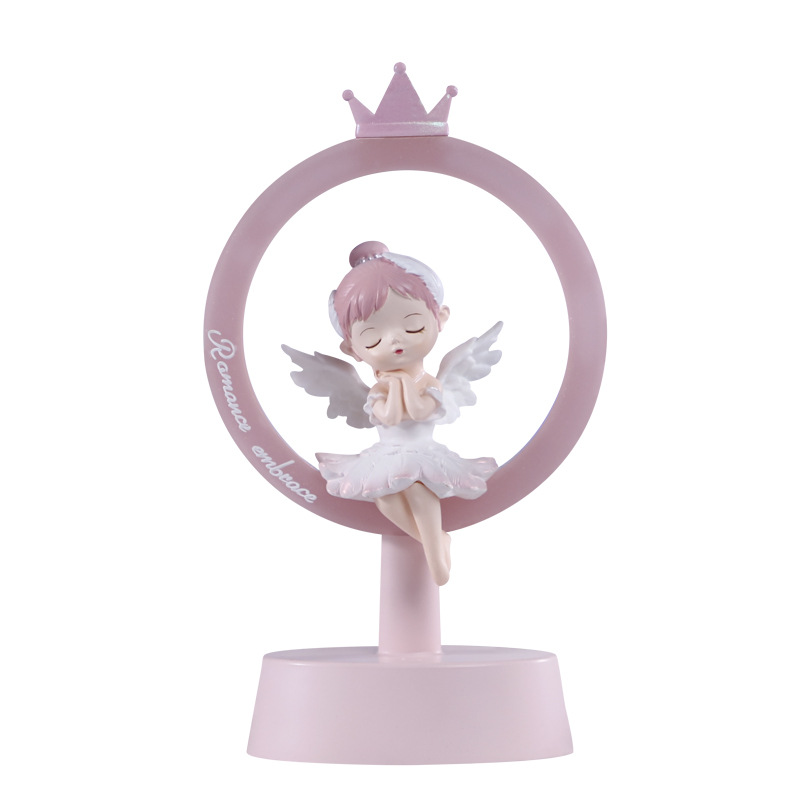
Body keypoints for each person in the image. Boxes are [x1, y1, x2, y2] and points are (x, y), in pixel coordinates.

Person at [314, 241, 498, 586]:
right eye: (372, 339)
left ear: (439, 318)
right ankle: (436, 541)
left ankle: (435, 554)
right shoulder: (380, 388)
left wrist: (401, 385)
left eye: (412, 326)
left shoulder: (428, 381)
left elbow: (422, 411)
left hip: (423, 452)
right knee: (384, 496)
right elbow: (386, 416)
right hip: (386, 454)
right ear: (352, 349)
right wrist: (392, 387)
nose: (394, 340)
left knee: (415, 486)